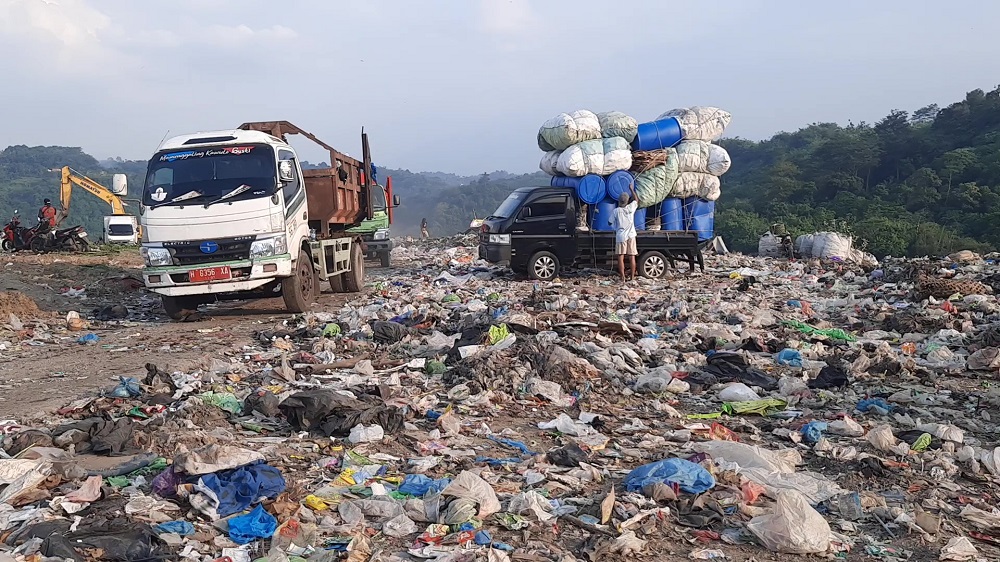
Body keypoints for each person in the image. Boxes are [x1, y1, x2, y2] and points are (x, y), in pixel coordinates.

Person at [610, 184, 639, 283]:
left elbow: (610, 222)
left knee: (620, 257)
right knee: (632, 257)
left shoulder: (616, 211)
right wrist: (631, 189)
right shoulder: (631, 208)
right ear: (627, 201)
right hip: (631, 235)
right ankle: (632, 277)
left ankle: (622, 277)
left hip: (621, 236)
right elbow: (636, 200)